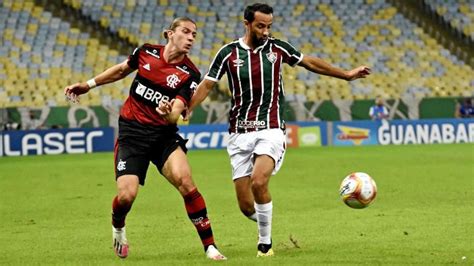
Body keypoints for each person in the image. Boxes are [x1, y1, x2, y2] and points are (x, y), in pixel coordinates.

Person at [184, 3, 370, 257]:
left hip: (271, 128)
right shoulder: (228, 53)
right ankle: (265, 218)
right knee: (245, 205)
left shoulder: (278, 48)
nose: (266, 31)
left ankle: (265, 245)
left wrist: (346, 74)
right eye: (260, 26)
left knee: (259, 181)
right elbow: (207, 84)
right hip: (239, 133)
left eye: (269, 26)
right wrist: (189, 107)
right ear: (246, 24)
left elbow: (310, 63)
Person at [63, 17, 226, 261]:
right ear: (169, 34)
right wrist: (89, 85)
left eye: (194, 34)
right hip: (132, 134)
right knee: (126, 196)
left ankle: (210, 246)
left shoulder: (189, 73)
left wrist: (167, 111)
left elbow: (176, 115)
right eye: (186, 31)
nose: (191, 37)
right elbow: (120, 70)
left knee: (186, 181)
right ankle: (118, 226)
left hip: (163, 136)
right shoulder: (146, 52)